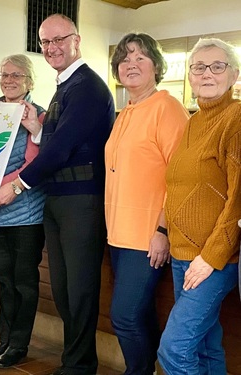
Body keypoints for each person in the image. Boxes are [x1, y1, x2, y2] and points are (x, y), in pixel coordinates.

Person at [0, 14, 115, 375]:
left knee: (79, 291)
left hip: (81, 201)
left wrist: (15, 185)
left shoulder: (87, 86)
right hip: (59, 202)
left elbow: (61, 152)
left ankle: (79, 366)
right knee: (63, 291)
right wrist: (37, 130)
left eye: (59, 39)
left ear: (77, 40)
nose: (52, 47)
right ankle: (73, 361)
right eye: (45, 42)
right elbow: (60, 143)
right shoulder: (65, 86)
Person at [104, 33, 189, 375]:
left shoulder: (167, 108)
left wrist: (162, 229)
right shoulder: (126, 111)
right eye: (124, 59)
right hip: (117, 234)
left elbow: (180, 177)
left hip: (146, 237)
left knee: (123, 316)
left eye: (140, 58)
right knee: (139, 313)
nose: (131, 64)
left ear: (156, 65)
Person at [157, 38, 241, 374]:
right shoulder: (193, 121)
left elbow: (238, 198)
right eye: (199, 67)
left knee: (174, 350)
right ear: (189, 76)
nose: (207, 73)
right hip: (182, 254)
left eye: (217, 66)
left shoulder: (236, 118)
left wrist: (211, 257)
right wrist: (163, 231)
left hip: (212, 259)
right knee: (206, 347)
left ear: (233, 75)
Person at [0, 54, 46, 369]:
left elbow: (36, 164)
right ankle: (4, 340)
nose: (9, 80)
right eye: (4, 74)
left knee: (23, 282)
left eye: (17, 75)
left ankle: (19, 344)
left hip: (28, 214)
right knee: (4, 280)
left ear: (29, 81)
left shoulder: (39, 115)